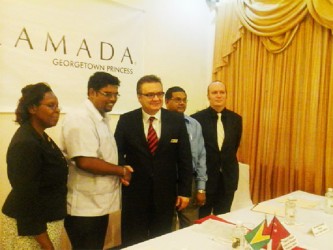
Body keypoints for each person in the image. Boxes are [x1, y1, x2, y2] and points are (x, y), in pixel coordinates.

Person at [115, 75, 193, 247]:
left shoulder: (176, 120)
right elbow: (116, 151)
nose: (156, 98)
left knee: (161, 240)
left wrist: (185, 191)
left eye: (159, 93)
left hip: (165, 194)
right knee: (133, 240)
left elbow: (185, 158)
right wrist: (122, 166)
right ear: (139, 97)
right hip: (135, 194)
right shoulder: (126, 120)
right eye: (150, 95)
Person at [60, 72, 133, 250]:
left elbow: (104, 155)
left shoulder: (100, 117)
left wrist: (120, 168)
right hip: (84, 209)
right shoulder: (80, 118)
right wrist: (121, 171)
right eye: (107, 94)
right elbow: (85, 161)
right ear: (91, 92)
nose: (113, 99)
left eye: (116, 94)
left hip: (98, 205)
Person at [1, 82, 67, 250]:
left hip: (45, 223)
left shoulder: (40, 136)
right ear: (32, 108)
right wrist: (46, 245)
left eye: (57, 106)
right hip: (32, 231)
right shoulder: (26, 143)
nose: (57, 110)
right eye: (51, 106)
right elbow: (26, 199)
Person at [191, 81, 242, 218]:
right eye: (214, 93)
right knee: (202, 219)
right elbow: (194, 152)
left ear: (226, 95)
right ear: (208, 96)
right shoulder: (196, 119)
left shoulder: (236, 119)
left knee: (223, 218)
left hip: (228, 180)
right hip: (205, 181)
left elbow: (233, 147)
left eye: (222, 92)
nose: (218, 96)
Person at [165, 86, 207, 228]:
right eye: (177, 100)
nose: (182, 103)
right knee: (165, 229)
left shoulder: (194, 125)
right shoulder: (159, 124)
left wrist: (201, 188)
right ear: (166, 101)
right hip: (166, 183)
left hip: (189, 182)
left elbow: (201, 157)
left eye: (184, 100)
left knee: (191, 228)